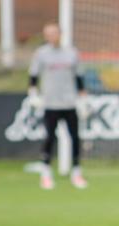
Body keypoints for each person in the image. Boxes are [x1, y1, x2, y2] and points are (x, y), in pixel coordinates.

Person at [28, 23, 88, 190]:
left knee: (75, 137)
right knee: (49, 137)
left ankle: (76, 172)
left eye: (55, 33)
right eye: (49, 33)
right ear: (45, 36)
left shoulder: (72, 53)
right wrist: (33, 95)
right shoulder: (41, 54)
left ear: (60, 34)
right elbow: (33, 76)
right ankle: (46, 173)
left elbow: (79, 77)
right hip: (50, 103)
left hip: (69, 102)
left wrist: (83, 100)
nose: (52, 36)